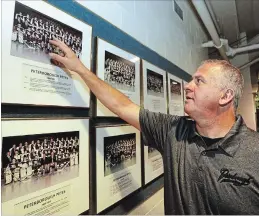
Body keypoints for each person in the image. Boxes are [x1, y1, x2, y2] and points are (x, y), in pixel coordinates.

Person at [49, 38, 259, 215]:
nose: (188, 86)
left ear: (225, 96)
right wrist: (80, 69)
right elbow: (122, 106)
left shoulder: (254, 152)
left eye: (199, 81)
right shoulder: (174, 131)